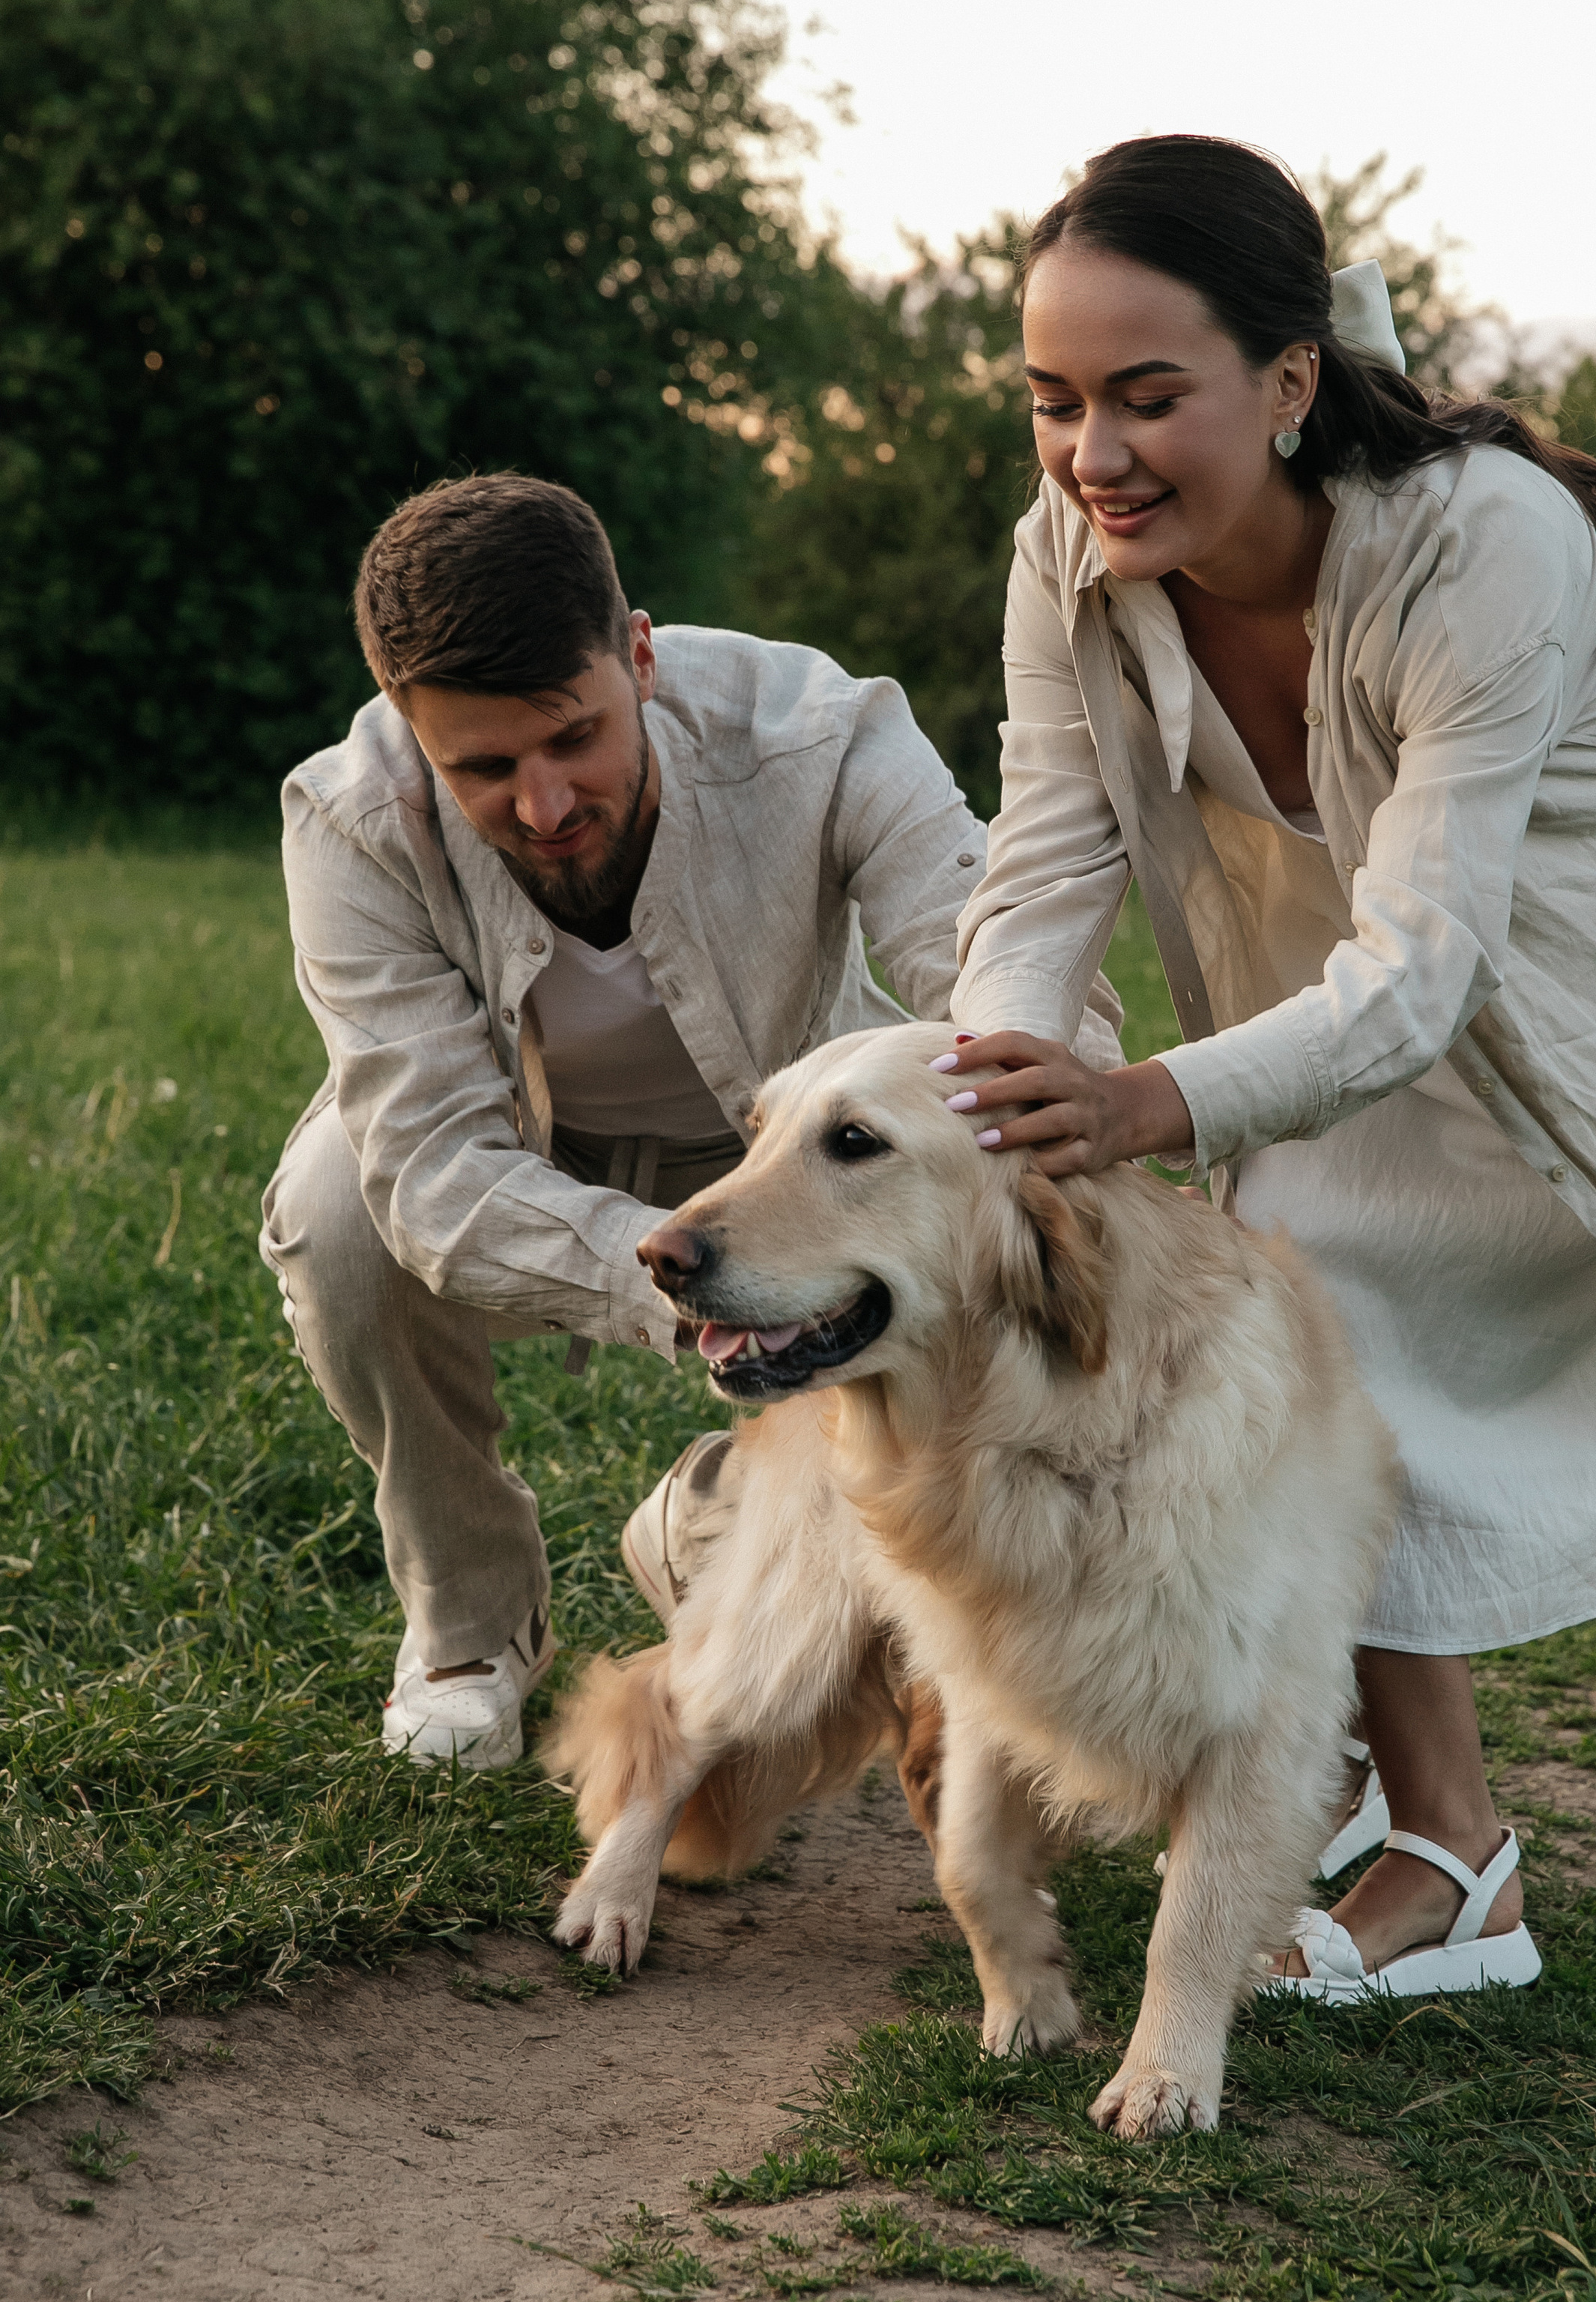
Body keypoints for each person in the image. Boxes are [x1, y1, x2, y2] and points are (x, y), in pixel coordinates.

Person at [940, 134, 1596, 2002]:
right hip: (1373, 908)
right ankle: (1378, 1781)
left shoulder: (1479, 538)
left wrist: (1146, 1102)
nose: (1092, 455)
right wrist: (989, 1117)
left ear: (1286, 385)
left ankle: (1455, 1867)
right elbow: (1041, 866)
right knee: (1294, 1266)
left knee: (1331, 1277)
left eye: (1146, 398)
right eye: (1051, 403)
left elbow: (1426, 964)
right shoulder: (1075, 551)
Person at [262, 470, 1117, 1770]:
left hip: (791, 1158)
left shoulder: (821, 730)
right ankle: (470, 1627)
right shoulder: (347, 820)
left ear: (640, 655)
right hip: (518, 1161)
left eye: (574, 737)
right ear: (407, 724)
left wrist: (1031, 1086)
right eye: (483, 768)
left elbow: (1002, 969)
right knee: (337, 1209)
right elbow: (436, 1173)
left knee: (821, 1579)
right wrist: (694, 1270)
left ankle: (705, 1526)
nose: (543, 804)